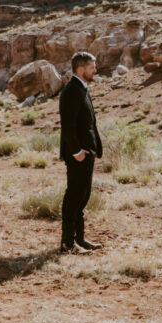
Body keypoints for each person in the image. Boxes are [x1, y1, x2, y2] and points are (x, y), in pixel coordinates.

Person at [59, 51, 103, 252]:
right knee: (74, 197)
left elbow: (89, 124)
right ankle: (68, 243)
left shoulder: (81, 88)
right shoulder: (72, 90)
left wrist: (95, 148)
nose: (95, 70)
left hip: (86, 153)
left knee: (82, 197)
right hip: (78, 154)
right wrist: (77, 152)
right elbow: (68, 126)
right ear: (81, 68)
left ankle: (79, 239)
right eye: (92, 67)